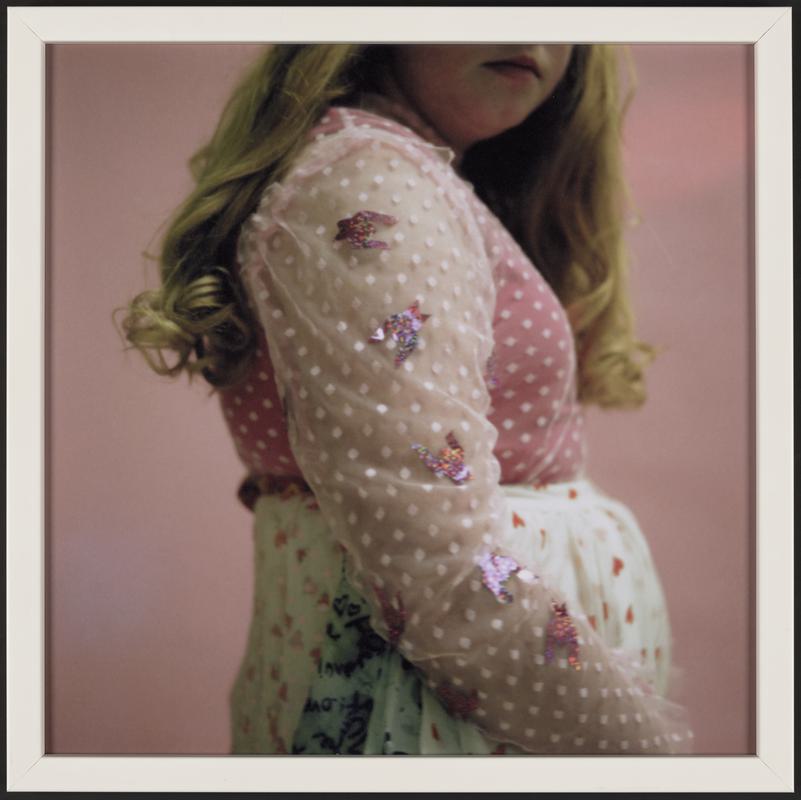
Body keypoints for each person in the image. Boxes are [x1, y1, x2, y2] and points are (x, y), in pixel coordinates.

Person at [119, 44, 693, 755]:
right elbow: (437, 566)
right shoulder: (372, 181)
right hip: (435, 721)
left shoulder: (399, 172)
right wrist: (633, 750)